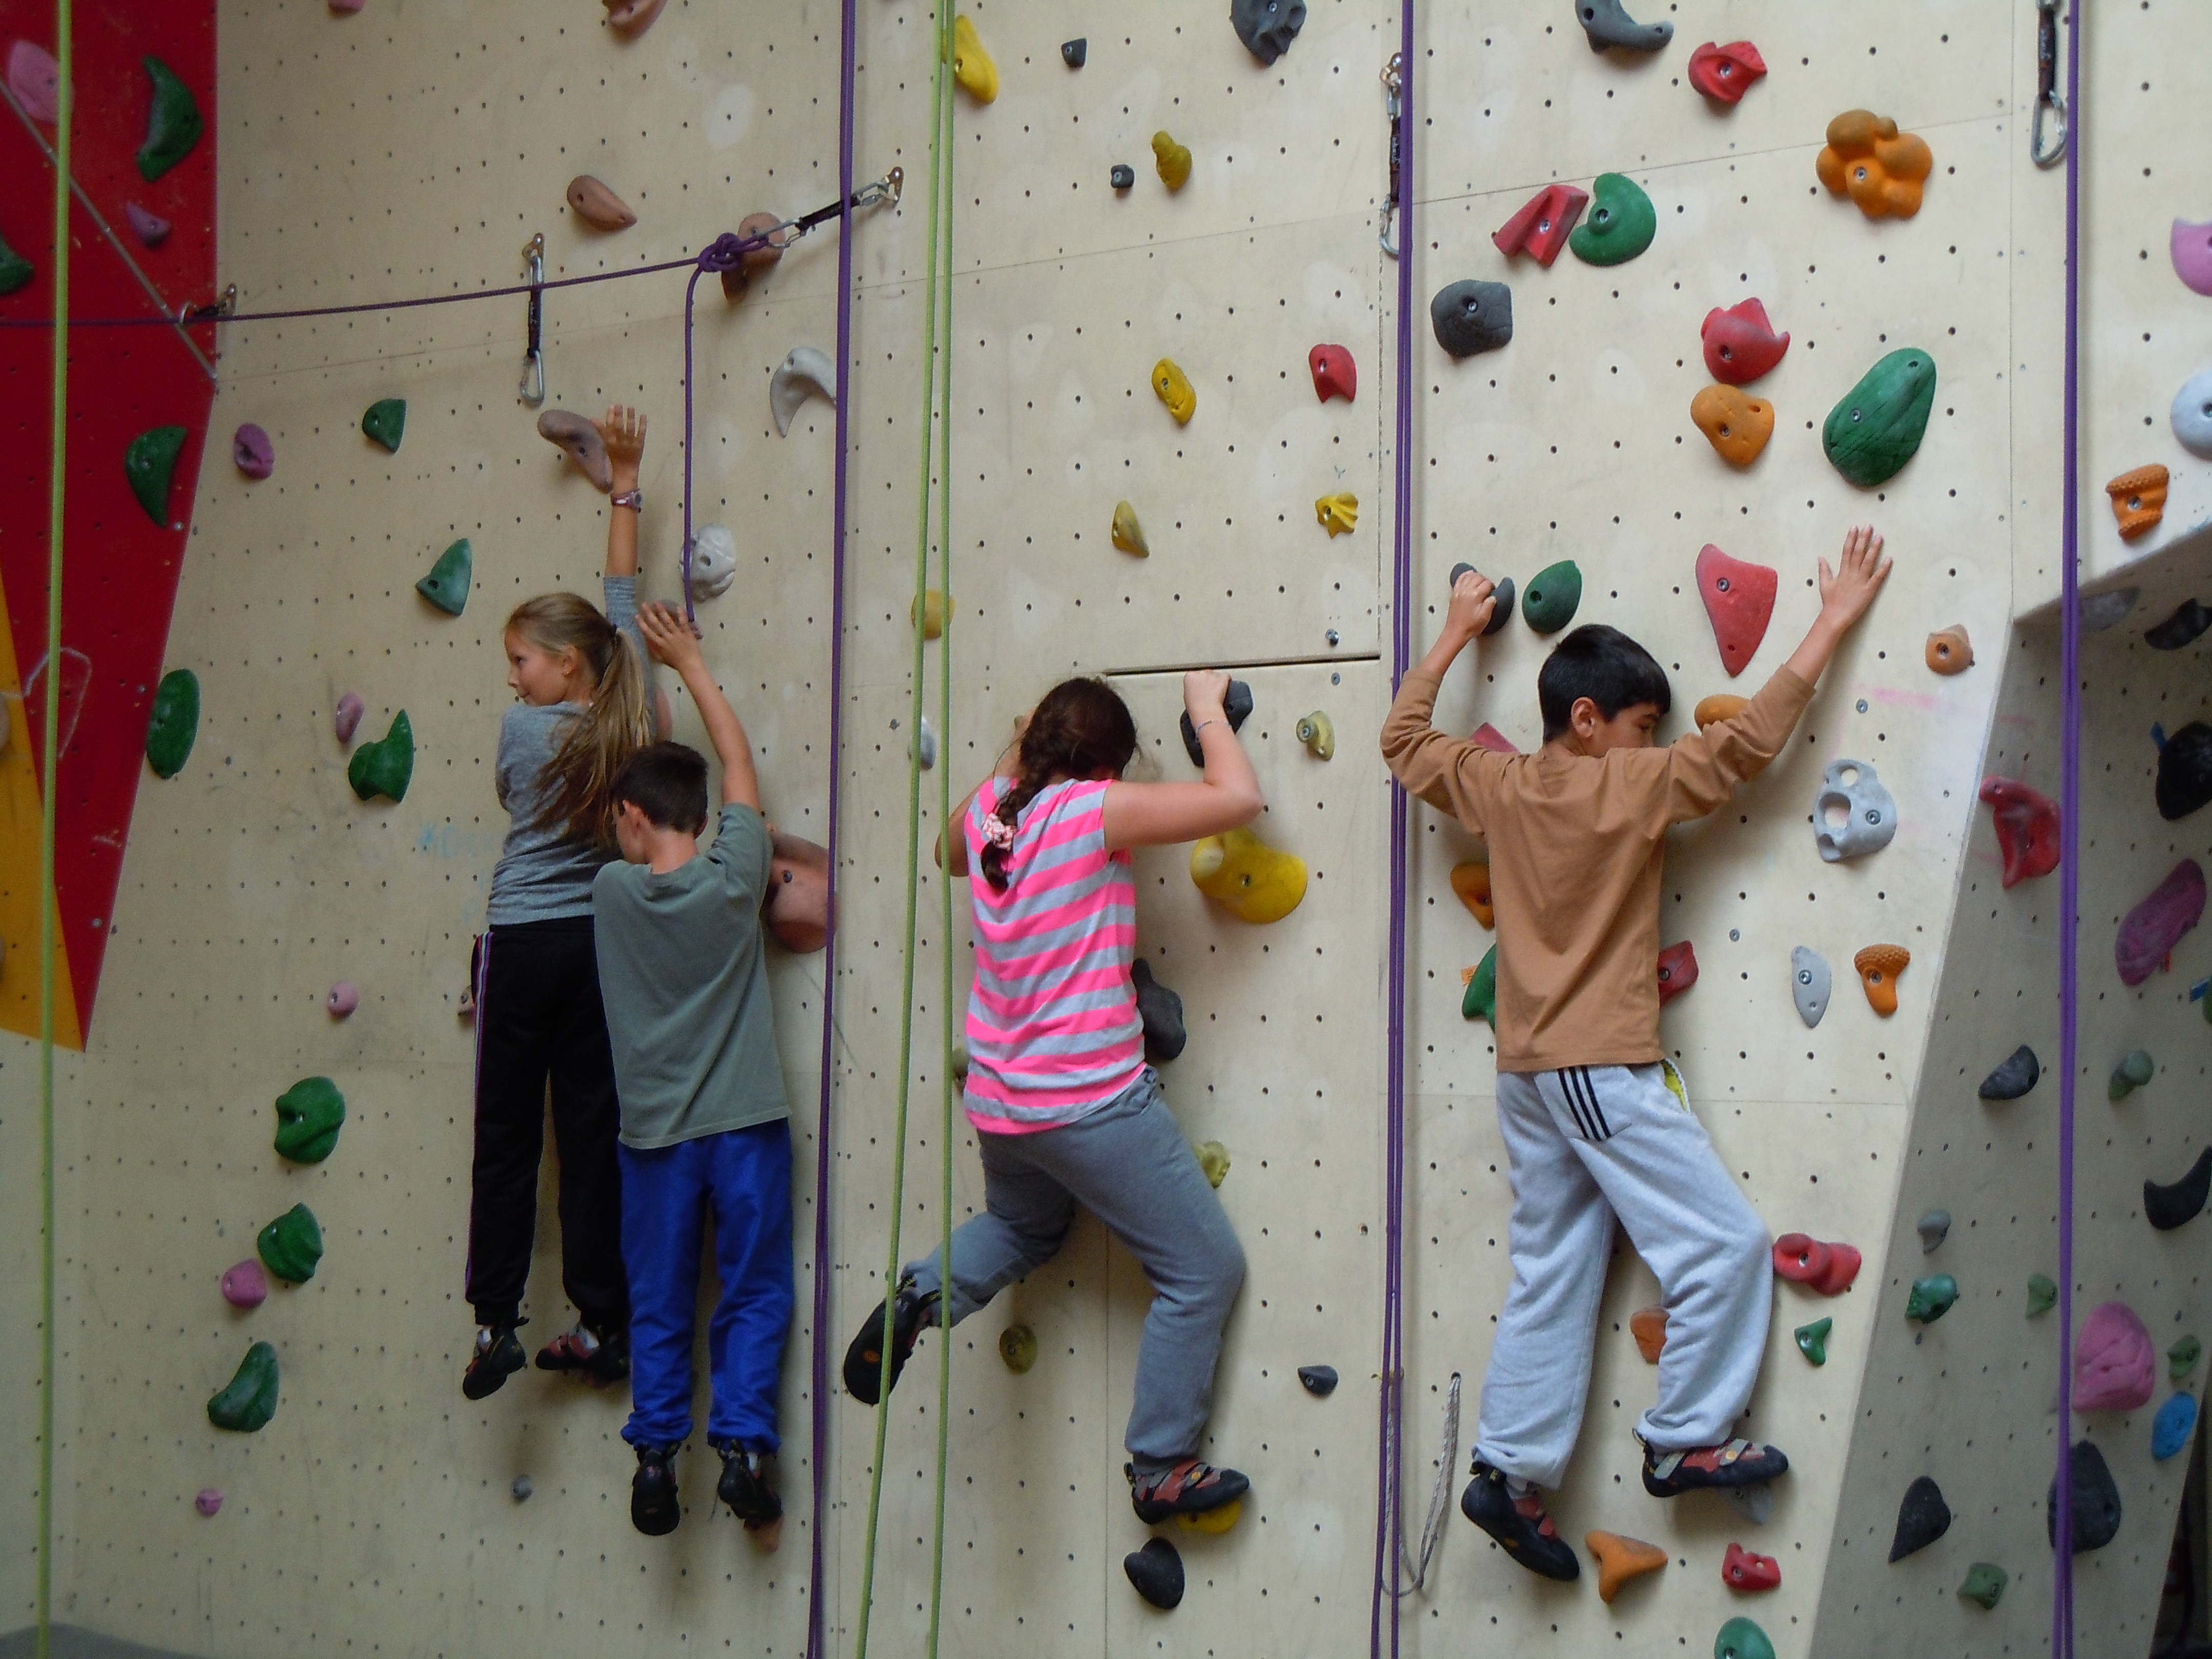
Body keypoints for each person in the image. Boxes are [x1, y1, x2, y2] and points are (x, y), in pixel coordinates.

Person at [1379, 526, 1891, 1582]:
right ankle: (1685, 1439)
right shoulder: (1630, 786)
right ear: (1588, 721)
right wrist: (1832, 620)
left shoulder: (1498, 784)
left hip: (1527, 1073)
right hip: (1595, 1069)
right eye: (1643, 725)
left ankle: (1508, 1469)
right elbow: (1748, 744)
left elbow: (1402, 740)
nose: (1652, 742)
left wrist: (1458, 631)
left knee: (1557, 1264)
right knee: (1723, 1245)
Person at [839, 671, 1258, 1527]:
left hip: (1004, 1104)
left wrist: (1015, 756)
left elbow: (945, 850)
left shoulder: (995, 814)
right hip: (1088, 1101)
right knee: (1204, 1270)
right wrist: (1206, 709)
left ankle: (921, 1293)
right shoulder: (1091, 809)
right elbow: (1237, 799)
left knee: (1024, 1228)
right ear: (1106, 766)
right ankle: (1161, 1466)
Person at [462, 406, 656, 1400]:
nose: (513, 676)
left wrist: (620, 483)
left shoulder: (522, 731)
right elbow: (622, 610)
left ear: (565, 662)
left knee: (506, 1136)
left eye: (523, 659)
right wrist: (625, 486)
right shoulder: (628, 723)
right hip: (597, 948)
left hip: (523, 942)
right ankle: (602, 1321)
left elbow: (509, 799)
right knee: (589, 1138)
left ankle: (497, 1320)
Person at [593, 602, 793, 1540]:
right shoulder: (736, 877)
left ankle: (654, 1461)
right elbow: (740, 770)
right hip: (747, 1128)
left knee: (661, 1297)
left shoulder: (611, 893)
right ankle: (744, 1450)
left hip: (655, 1144)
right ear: (706, 819)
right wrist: (692, 666)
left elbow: (653, 833)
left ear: (632, 818)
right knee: (753, 1289)